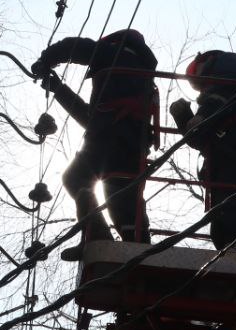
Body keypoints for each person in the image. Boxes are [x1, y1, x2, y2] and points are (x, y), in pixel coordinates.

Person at [31, 30, 158, 260]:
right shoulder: (141, 77)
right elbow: (92, 117)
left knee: (78, 178)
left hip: (108, 140)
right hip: (130, 143)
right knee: (123, 194)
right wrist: (58, 88)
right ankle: (134, 242)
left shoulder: (115, 53)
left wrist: (47, 58)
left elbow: (77, 47)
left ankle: (98, 234)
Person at [169, 50, 236, 251]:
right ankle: (228, 244)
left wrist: (199, 117)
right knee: (223, 203)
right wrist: (184, 118)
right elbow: (199, 137)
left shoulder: (226, 71)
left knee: (232, 193)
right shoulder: (230, 85)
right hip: (229, 149)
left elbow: (219, 99)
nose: (200, 91)